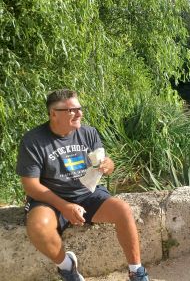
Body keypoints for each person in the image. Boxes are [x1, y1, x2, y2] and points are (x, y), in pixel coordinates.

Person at [16, 89, 149, 281]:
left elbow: (105, 162)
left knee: (123, 210)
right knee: (38, 227)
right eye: (72, 110)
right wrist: (65, 206)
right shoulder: (33, 140)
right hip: (50, 199)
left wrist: (108, 165)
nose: (80, 113)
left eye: (80, 108)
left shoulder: (88, 132)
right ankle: (67, 266)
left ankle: (136, 271)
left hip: (86, 194)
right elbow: (31, 186)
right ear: (54, 114)